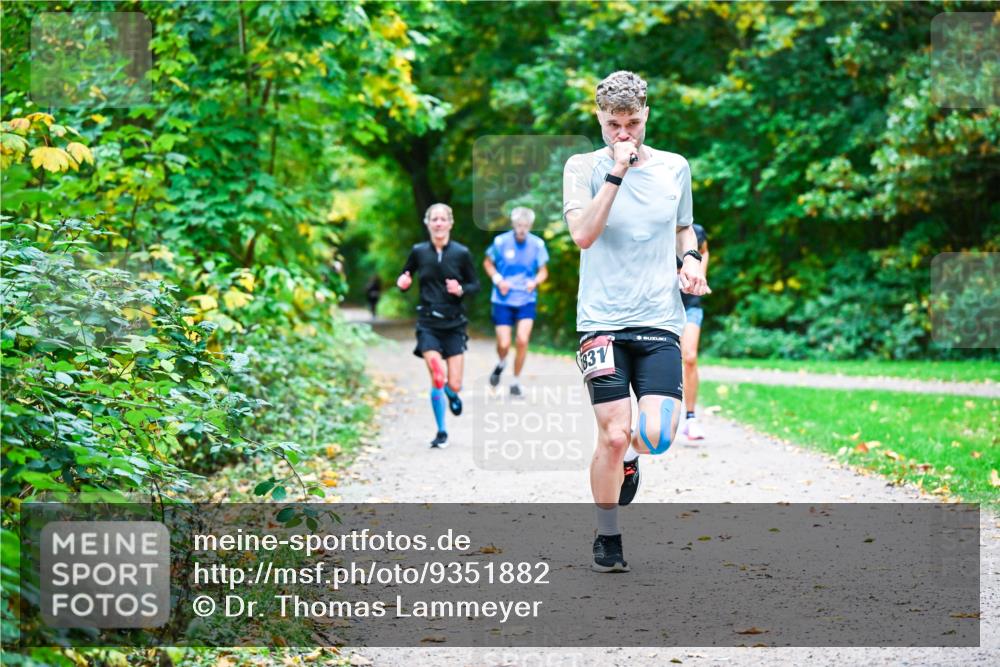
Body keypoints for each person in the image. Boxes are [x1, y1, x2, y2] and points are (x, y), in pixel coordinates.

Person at [563, 70, 709, 572]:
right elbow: (583, 234)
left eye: (632, 123)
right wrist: (616, 173)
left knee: (656, 435)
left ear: (647, 115)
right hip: (601, 321)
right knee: (612, 433)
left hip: (659, 320)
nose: (623, 135)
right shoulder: (582, 167)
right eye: (612, 125)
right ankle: (608, 535)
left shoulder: (675, 168)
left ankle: (631, 460)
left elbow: (684, 229)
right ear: (598, 120)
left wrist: (689, 260)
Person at [396, 203, 480, 448]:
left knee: (452, 383)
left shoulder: (462, 253)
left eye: (443, 219)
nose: (439, 223)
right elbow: (405, 275)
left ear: (450, 223)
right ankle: (441, 431)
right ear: (428, 223)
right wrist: (402, 282)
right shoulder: (418, 251)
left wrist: (461, 289)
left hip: (454, 324)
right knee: (437, 376)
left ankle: (452, 394)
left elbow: (475, 285)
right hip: (428, 324)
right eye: (435, 219)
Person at [483, 206, 549, 397]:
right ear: (513, 225)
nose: (522, 229)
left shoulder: (537, 245)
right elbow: (488, 263)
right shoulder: (501, 242)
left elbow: (543, 271)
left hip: (526, 299)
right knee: (503, 344)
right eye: (519, 225)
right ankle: (501, 363)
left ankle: (515, 381)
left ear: (530, 226)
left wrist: (534, 281)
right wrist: (498, 280)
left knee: (522, 339)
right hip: (503, 299)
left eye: (526, 226)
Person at [680, 224, 709, 441]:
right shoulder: (655, 224)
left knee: (689, 357)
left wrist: (701, 275)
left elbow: (704, 250)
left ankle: (690, 418)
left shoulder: (696, 231)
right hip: (659, 306)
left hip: (690, 305)